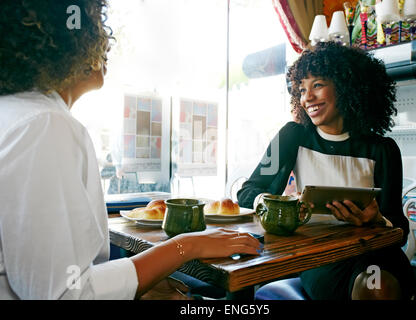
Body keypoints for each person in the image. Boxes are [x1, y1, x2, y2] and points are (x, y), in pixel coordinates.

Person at [0, 0, 261, 300]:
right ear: (63, 42)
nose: (104, 42)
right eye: (95, 27)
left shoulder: (19, 117)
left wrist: (135, 289)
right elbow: (64, 295)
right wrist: (186, 246)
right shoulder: (43, 125)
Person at [238, 41, 415, 300]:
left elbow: (399, 230)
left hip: (374, 255)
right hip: (323, 257)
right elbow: (248, 192)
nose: (307, 97)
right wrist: (274, 203)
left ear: (345, 86)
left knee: (376, 286)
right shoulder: (292, 137)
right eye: (301, 89)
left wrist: (377, 220)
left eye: (317, 85)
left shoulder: (383, 149)